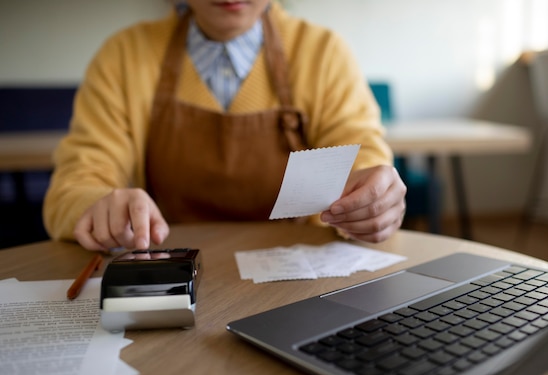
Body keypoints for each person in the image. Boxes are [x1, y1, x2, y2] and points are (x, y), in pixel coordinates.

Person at [43, 0, 407, 252]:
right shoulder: (123, 56)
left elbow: (361, 157)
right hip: (169, 272)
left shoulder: (324, 52)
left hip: (301, 273)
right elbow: (75, 184)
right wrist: (99, 206)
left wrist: (371, 198)